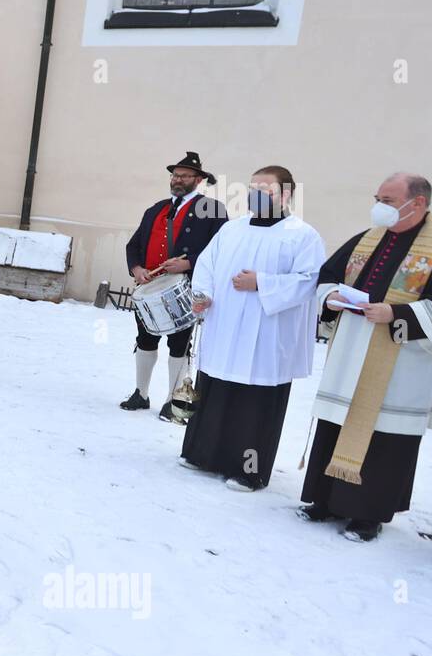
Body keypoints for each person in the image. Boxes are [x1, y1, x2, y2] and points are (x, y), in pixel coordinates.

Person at [299, 173, 432, 541]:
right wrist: (331, 297)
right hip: (353, 350)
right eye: (377, 197)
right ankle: (325, 499)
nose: (378, 205)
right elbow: (328, 275)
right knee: (338, 423)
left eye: (387, 199)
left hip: (403, 358)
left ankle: (367, 514)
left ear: (417, 203)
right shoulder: (369, 239)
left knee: (385, 436)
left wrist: (397, 315)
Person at [180, 166, 325, 490]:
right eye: (252, 187)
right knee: (216, 391)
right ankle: (202, 455)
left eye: (265, 189)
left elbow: (309, 281)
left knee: (254, 404)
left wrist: (262, 282)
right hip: (225, 328)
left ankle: (249, 470)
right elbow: (206, 263)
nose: (255, 194)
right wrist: (202, 294)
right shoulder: (233, 229)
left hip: (266, 335)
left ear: (286, 195)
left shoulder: (302, 235)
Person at [122, 151, 228, 420]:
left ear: (198, 179)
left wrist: (188, 263)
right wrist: (137, 268)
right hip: (150, 289)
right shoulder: (156, 209)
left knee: (179, 345)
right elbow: (134, 245)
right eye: (174, 175)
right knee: (145, 340)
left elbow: (222, 251)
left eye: (184, 176)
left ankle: (174, 401)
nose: (177, 180)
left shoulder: (213, 210)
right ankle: (141, 394)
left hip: (185, 288)